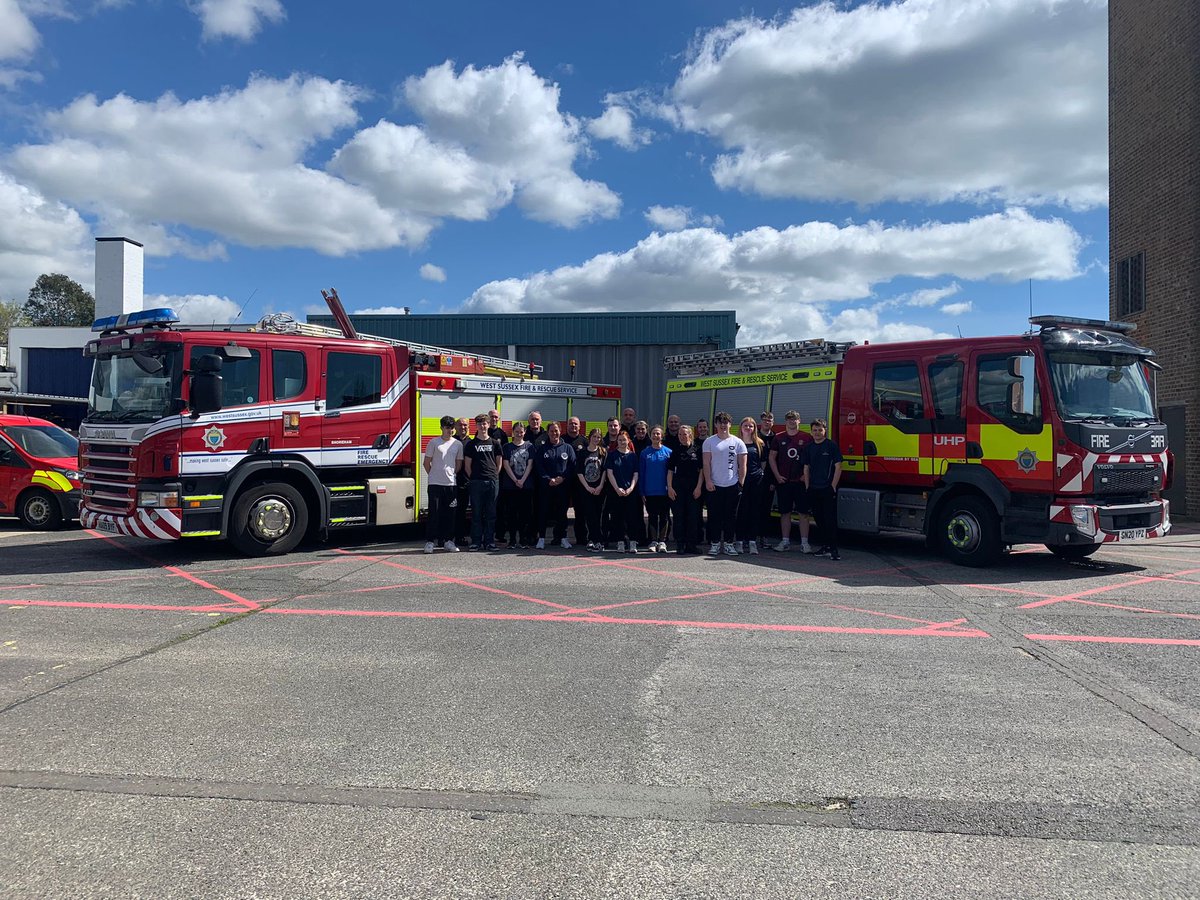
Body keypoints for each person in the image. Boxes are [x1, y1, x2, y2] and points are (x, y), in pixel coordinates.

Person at [703, 411, 746, 555]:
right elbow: (706, 463)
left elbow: (742, 464)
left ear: (730, 424)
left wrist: (740, 482)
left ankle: (728, 543)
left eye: (726, 422)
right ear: (715, 425)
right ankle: (715, 543)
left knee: (730, 516)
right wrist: (708, 480)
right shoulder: (709, 441)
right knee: (714, 516)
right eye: (720, 422)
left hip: (732, 485)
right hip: (715, 485)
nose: (723, 425)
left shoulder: (738, 442)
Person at [769, 410, 813, 553]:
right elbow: (771, 457)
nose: (792, 421)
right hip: (784, 482)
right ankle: (785, 541)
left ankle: (805, 543)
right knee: (785, 512)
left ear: (799, 421)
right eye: (789, 419)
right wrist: (777, 475)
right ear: (785, 421)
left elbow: (813, 458)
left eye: (794, 419)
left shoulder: (807, 438)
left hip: (800, 482)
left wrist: (806, 476)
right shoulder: (778, 437)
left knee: (803, 513)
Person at [804, 417, 843, 561]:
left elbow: (838, 467)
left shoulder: (831, 446)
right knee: (819, 520)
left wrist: (832, 486)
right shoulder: (809, 447)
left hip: (827, 489)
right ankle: (825, 547)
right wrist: (808, 486)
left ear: (825, 431)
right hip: (813, 488)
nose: (817, 432)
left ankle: (834, 550)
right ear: (811, 432)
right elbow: (806, 468)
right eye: (815, 430)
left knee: (830, 520)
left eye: (820, 430)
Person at [423, 415, 462, 553]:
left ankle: (448, 541)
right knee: (434, 513)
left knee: (450, 514)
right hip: (435, 484)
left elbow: (458, 464)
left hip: (451, 484)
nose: (449, 431)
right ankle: (430, 542)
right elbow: (426, 463)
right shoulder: (434, 443)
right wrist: (434, 475)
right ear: (441, 428)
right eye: (447, 428)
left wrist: (450, 475)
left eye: (451, 428)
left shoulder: (458, 444)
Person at [463, 413, 503, 551]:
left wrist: (493, 476)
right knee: (476, 513)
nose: (482, 426)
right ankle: (475, 542)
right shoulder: (471, 444)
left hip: (492, 481)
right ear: (476, 426)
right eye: (479, 423)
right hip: (476, 482)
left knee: (491, 514)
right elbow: (467, 466)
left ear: (488, 424)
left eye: (484, 423)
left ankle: (489, 542)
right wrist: (474, 478)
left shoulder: (495, 443)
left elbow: (499, 463)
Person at [535, 421, 576, 549]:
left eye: (556, 430)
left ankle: (563, 538)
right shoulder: (542, 449)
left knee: (562, 513)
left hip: (562, 487)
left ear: (560, 431)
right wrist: (548, 479)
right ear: (548, 432)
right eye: (551, 431)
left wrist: (562, 478)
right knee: (543, 512)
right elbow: (538, 467)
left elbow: (572, 465)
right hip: (546, 486)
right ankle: (541, 538)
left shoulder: (567, 448)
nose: (554, 433)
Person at [734, 417, 769, 555]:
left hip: (756, 481)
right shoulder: (736, 443)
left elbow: (763, 463)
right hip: (741, 482)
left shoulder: (759, 443)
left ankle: (752, 541)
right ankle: (740, 541)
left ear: (755, 428)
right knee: (741, 511)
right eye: (746, 425)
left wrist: (760, 475)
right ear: (741, 427)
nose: (748, 428)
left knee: (754, 511)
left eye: (751, 426)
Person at [666, 424, 703, 553]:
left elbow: (702, 471)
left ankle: (691, 545)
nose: (682, 436)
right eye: (680, 434)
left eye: (684, 434)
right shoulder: (675, 451)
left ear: (690, 435)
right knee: (679, 517)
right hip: (678, 488)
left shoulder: (697, 450)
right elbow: (670, 471)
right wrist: (670, 487)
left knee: (693, 517)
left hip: (693, 489)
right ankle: (680, 544)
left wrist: (699, 487)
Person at [499, 421, 535, 548]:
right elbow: (506, 465)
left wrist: (522, 480)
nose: (519, 434)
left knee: (525, 514)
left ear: (524, 432)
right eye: (517, 432)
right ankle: (513, 540)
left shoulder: (530, 446)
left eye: (521, 432)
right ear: (512, 432)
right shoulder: (507, 447)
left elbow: (530, 465)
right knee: (511, 514)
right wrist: (515, 480)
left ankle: (523, 539)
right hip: (510, 486)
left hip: (526, 486)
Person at [605, 431, 640, 552]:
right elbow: (610, 473)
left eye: (624, 440)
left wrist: (631, 488)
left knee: (632, 518)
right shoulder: (612, 455)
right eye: (619, 440)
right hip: (616, 492)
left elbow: (636, 474)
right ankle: (620, 542)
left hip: (630, 492)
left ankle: (633, 542)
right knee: (617, 518)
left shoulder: (633, 456)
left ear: (628, 441)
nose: (622, 442)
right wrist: (617, 488)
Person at [640, 425, 672, 553]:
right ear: (650, 435)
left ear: (662, 436)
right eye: (653, 433)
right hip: (650, 491)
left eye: (658, 434)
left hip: (664, 491)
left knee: (664, 516)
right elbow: (642, 473)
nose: (655, 436)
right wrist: (642, 491)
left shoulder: (668, 452)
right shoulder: (644, 453)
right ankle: (653, 541)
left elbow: (671, 473)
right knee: (652, 516)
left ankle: (662, 541)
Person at [575, 427, 608, 552]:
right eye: (594, 436)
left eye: (598, 437)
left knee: (599, 515)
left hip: (600, 489)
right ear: (590, 437)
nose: (596, 439)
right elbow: (579, 472)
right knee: (589, 515)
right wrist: (587, 487)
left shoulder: (603, 452)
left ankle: (599, 540)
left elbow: (604, 470)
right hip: (586, 489)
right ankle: (592, 539)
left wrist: (600, 486)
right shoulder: (583, 452)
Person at [565, 416, 590, 546]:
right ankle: (560, 537)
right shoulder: (562, 440)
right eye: (571, 424)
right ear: (567, 426)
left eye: (576, 424)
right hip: (564, 480)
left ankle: (581, 538)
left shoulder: (584, 441)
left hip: (579, 482)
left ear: (579, 427)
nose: (573, 426)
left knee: (580, 511)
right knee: (561, 510)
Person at [756, 411, 777, 547]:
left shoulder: (776, 438)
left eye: (769, 420)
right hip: (755, 479)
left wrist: (773, 481)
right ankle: (750, 537)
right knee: (752, 508)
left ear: (772, 422)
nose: (767, 422)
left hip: (769, 480)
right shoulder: (754, 436)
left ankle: (763, 537)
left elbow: (777, 461)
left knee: (765, 510)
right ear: (761, 422)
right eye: (764, 420)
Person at [452, 417, 472, 547]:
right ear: (456, 427)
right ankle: (450, 537)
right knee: (453, 511)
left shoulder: (472, 443)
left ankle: (463, 537)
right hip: (453, 482)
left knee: (466, 511)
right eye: (460, 425)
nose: (463, 427)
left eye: (465, 425)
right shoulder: (452, 442)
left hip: (469, 481)